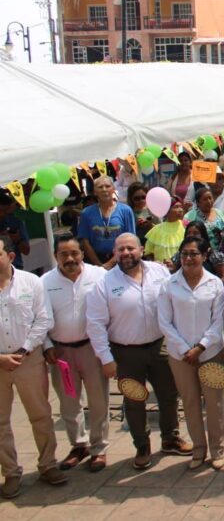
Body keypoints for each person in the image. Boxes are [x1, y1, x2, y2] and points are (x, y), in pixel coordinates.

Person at [86, 234, 190, 470]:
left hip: (160, 345)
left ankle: (170, 438)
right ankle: (142, 446)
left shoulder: (159, 272)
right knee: (134, 401)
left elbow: (174, 302)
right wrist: (106, 359)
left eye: (130, 248)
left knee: (169, 395)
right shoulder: (104, 283)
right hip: (125, 352)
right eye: (120, 249)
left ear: (141, 250)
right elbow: (95, 324)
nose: (126, 253)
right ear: (114, 253)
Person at [0, 234, 66, 499]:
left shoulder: (31, 282)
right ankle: (10, 472)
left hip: (29, 360)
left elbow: (43, 319)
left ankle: (48, 464)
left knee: (40, 415)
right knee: (0, 422)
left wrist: (24, 349)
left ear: (10, 256)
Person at [157, 236, 224, 471]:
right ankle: (198, 449)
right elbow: (164, 322)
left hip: (211, 353)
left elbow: (219, 321)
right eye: (185, 253)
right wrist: (185, 349)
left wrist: (201, 347)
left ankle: (217, 450)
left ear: (204, 256)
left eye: (194, 254)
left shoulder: (215, 284)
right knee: (190, 402)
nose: (188, 258)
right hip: (181, 356)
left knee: (215, 403)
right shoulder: (169, 284)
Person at [41, 235, 109, 473]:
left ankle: (99, 447)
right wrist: (47, 345)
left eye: (74, 253)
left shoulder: (99, 276)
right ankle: (79, 445)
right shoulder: (44, 282)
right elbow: (38, 318)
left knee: (98, 400)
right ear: (55, 256)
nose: (70, 259)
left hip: (91, 349)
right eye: (64, 255)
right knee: (69, 401)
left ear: (82, 253)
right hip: (61, 353)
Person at [77, 175, 136, 268]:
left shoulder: (125, 210)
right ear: (95, 191)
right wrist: (99, 266)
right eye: (100, 187)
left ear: (113, 189)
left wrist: (110, 263)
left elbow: (130, 239)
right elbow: (84, 241)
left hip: (121, 259)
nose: (104, 190)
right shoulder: (86, 213)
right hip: (95, 261)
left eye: (107, 186)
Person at [143, 196, 186, 264]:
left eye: (181, 207)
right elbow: (148, 253)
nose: (180, 210)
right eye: (176, 207)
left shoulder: (185, 226)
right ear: (167, 210)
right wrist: (155, 265)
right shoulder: (156, 229)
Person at [184, 187, 224, 251]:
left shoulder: (218, 212)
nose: (209, 201)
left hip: (221, 251)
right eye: (205, 199)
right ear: (198, 202)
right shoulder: (189, 216)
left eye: (210, 198)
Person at [0, 191, 30, 271]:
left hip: (15, 267)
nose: (3, 214)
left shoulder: (15, 222)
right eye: (1, 210)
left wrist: (17, 240)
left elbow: (26, 251)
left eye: (6, 210)